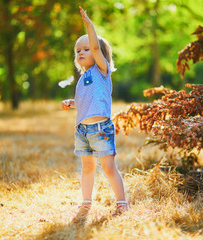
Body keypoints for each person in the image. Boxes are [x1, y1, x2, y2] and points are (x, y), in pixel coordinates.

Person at [61, 6, 128, 214]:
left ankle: (122, 202)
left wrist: (89, 25)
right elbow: (84, 101)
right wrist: (71, 102)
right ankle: (86, 201)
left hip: (100, 129)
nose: (81, 52)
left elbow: (96, 48)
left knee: (108, 168)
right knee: (87, 167)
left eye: (86, 48)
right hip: (82, 130)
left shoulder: (102, 70)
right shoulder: (83, 79)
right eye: (78, 50)